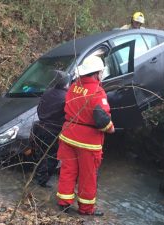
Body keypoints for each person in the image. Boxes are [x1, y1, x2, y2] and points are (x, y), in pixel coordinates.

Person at [56, 55, 115, 216]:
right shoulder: (98, 91)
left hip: (68, 135)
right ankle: (86, 209)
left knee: (67, 171)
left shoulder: (74, 86)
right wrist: (111, 128)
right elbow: (102, 118)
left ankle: (64, 203)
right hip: (88, 142)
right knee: (87, 177)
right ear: (96, 73)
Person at [30, 70, 70, 188]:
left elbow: (38, 109)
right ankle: (41, 183)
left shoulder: (47, 93)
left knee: (40, 155)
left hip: (39, 127)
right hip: (53, 131)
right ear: (66, 84)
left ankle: (35, 178)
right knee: (51, 157)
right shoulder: (67, 97)